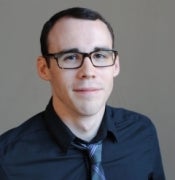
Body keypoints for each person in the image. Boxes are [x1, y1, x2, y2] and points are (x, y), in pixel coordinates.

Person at [0, 7, 165, 180]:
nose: (88, 71)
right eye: (70, 57)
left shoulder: (142, 134)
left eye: (100, 55)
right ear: (44, 69)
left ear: (115, 65)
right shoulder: (7, 159)